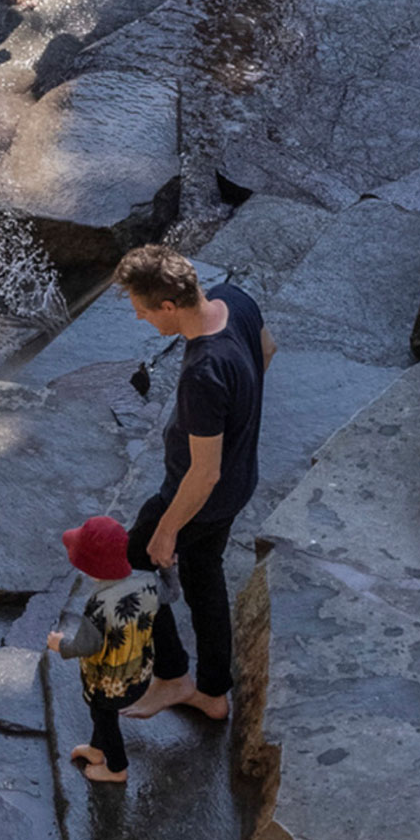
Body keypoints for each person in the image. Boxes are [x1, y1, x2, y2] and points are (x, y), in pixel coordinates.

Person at [115, 247, 272, 725]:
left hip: (201, 496)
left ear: (168, 306)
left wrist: (167, 530)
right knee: (204, 573)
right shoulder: (233, 300)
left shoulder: (203, 373)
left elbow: (203, 473)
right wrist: (238, 411)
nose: (139, 317)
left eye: (141, 309)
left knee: (135, 556)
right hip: (239, 482)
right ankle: (211, 692)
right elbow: (267, 348)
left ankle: (171, 674)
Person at [47, 515, 163, 784]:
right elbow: (171, 592)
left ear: (89, 567)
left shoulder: (99, 605)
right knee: (103, 718)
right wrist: (167, 568)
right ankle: (96, 751)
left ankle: (117, 768)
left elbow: (86, 645)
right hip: (141, 672)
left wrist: (59, 644)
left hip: (109, 685)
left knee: (105, 720)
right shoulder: (147, 581)